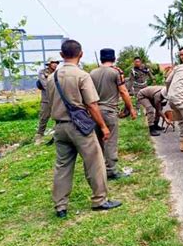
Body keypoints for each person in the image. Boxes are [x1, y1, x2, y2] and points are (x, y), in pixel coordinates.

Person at [47, 40, 121, 218]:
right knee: (94, 163)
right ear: (80, 54)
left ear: (62, 55)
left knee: (62, 166)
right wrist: (103, 127)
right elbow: (92, 105)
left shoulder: (52, 78)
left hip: (59, 127)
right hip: (80, 128)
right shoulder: (81, 75)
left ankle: (60, 206)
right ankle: (100, 200)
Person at [90, 48, 137, 180]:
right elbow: (123, 91)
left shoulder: (92, 73)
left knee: (98, 142)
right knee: (110, 141)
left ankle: (99, 170)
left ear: (101, 59)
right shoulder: (116, 72)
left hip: (94, 112)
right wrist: (131, 108)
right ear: (114, 58)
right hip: (109, 111)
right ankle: (110, 171)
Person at [34, 57, 59, 145]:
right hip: (46, 100)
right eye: (53, 62)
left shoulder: (58, 73)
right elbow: (45, 85)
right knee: (43, 118)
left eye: (56, 63)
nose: (55, 64)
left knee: (59, 118)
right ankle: (39, 137)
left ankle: (57, 136)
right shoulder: (43, 72)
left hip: (56, 99)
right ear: (49, 64)